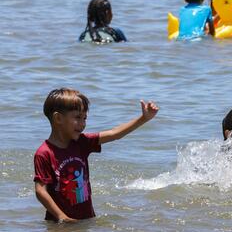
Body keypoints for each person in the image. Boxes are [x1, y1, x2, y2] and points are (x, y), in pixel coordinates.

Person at [33, 88, 159, 223]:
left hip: (86, 219)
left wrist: (144, 118)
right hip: (59, 224)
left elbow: (114, 133)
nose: (83, 124)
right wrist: (62, 217)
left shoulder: (81, 143)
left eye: (84, 118)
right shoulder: (44, 153)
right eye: (77, 117)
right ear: (58, 118)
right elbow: (40, 191)